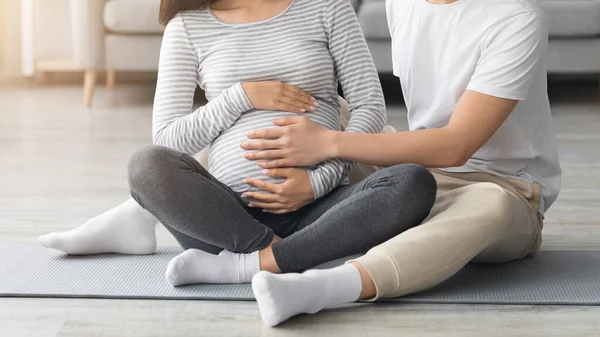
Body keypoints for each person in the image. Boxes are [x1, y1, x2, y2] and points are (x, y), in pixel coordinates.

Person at [37, 0, 437, 286]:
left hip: (318, 210)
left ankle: (252, 265)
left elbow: (370, 106)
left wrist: (318, 182)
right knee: (146, 164)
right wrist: (242, 96)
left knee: (412, 182)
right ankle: (282, 257)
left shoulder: (326, 7)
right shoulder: (189, 26)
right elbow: (167, 138)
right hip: (222, 219)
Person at [242, 0, 562, 326]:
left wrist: (326, 145)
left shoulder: (516, 17)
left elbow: (456, 146)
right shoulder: (401, 3)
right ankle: (236, 224)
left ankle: (323, 286)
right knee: (320, 110)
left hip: (502, 187)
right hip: (412, 175)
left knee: (494, 204)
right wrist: (315, 172)